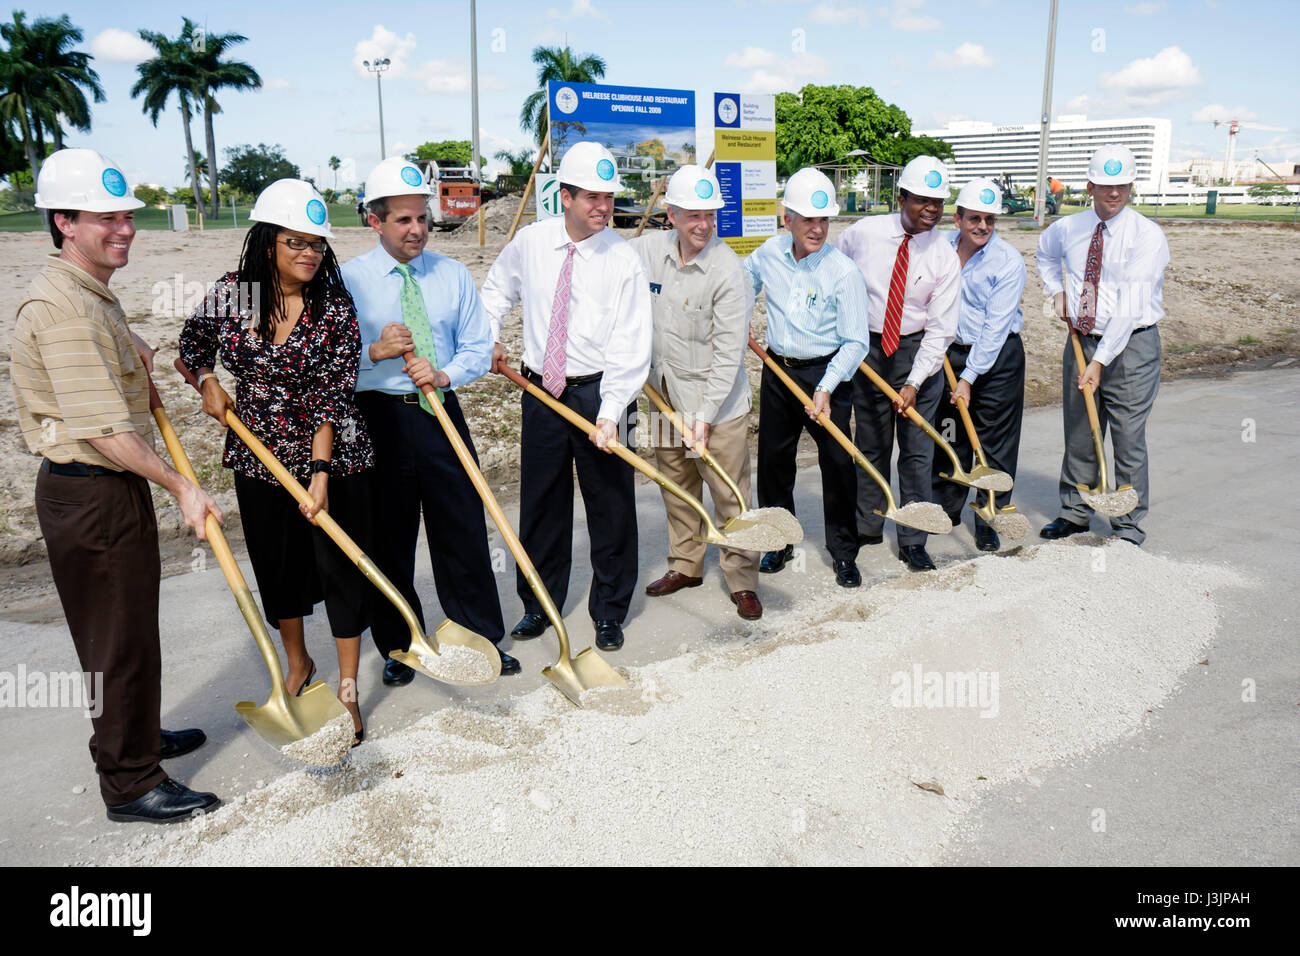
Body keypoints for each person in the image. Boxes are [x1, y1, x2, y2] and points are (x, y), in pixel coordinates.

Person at [13, 148, 221, 822]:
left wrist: (122, 334)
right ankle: (130, 782)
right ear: (64, 221)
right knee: (115, 638)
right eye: (106, 218)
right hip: (93, 486)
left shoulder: (86, 296)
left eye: (127, 215)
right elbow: (105, 430)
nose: (125, 228)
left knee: (128, 630)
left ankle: (135, 733)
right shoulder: (70, 309)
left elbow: (93, 368)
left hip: (103, 486)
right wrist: (180, 487)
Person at [180, 178, 375, 746]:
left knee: (340, 570)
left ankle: (347, 688)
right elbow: (191, 347)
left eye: (317, 244)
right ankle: (297, 664)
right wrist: (209, 380)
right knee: (278, 566)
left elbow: (332, 397)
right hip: (256, 453)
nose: (310, 254)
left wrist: (318, 478)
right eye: (296, 243)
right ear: (267, 242)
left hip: (333, 455)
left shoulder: (333, 305)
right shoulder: (238, 292)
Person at [341, 157, 513, 681]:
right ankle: (401, 644)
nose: (417, 229)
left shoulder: (452, 274)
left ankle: (479, 637)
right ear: (374, 220)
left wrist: (443, 375)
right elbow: (328, 363)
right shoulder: (348, 281)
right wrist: (373, 352)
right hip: (378, 419)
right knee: (389, 536)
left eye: (422, 217)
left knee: (461, 526)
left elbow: (478, 345)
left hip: (439, 413)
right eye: (403, 220)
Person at [481, 141, 652, 650]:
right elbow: (495, 289)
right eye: (592, 197)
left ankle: (609, 611)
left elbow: (632, 345)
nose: (603, 207)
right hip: (539, 390)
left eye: (609, 198)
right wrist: (490, 332)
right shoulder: (531, 243)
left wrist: (612, 411)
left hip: (604, 391)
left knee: (612, 507)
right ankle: (539, 604)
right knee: (541, 504)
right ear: (565, 196)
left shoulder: (623, 260)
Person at [629, 165, 761, 620]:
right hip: (665, 396)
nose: (704, 225)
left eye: (711, 215)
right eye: (694, 216)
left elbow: (728, 357)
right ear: (671, 214)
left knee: (730, 495)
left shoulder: (729, 271)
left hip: (717, 407)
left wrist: (702, 418)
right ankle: (686, 565)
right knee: (678, 487)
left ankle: (742, 578)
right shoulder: (648, 251)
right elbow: (605, 258)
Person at [744, 166, 870, 588]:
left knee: (838, 464)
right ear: (788, 220)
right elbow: (746, 279)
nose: (817, 229)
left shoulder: (843, 272)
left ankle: (844, 552)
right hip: (778, 370)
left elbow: (856, 342)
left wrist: (826, 387)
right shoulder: (769, 253)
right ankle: (779, 543)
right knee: (774, 464)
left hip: (826, 374)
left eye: (823, 221)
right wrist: (742, 317)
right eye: (808, 220)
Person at [1036, 144, 1168, 546]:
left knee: (1127, 437)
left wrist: (1101, 361)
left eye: (1123, 186)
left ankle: (1127, 525)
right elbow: (1045, 254)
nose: (1115, 194)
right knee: (1080, 431)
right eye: (1107, 186)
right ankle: (1075, 511)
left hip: (1131, 348)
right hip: (1081, 341)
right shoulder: (1067, 228)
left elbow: (1130, 306)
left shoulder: (1147, 235)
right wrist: (1057, 291)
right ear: (1090, 186)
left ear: (1131, 187)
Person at [837, 155, 960, 572]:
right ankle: (869, 525)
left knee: (917, 451)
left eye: (938, 202)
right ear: (901, 196)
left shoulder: (943, 255)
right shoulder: (862, 234)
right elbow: (838, 274)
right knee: (870, 444)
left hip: (918, 351)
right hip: (869, 349)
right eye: (923, 200)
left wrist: (914, 381)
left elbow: (942, 329)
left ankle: (913, 539)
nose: (931, 209)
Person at [932, 178, 1027, 552]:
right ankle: (947, 507)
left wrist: (969, 377)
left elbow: (994, 328)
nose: (982, 226)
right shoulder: (939, 249)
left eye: (989, 219)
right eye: (975, 218)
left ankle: (988, 514)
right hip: (949, 353)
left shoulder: (1008, 262)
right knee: (950, 433)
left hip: (997, 356)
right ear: (957, 219)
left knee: (994, 443)